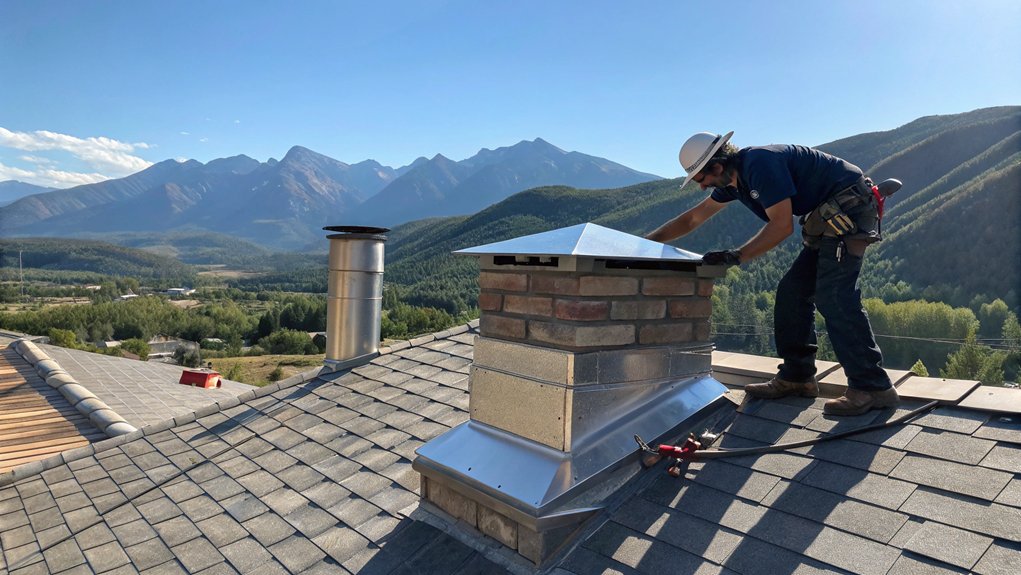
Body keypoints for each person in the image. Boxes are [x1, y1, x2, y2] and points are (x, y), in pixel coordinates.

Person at [646, 131, 897, 416]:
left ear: (717, 166)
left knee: (835, 297)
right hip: (830, 219)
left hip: (848, 214)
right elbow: (694, 217)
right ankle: (797, 377)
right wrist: (643, 243)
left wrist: (736, 256)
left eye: (701, 179)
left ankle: (873, 387)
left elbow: (781, 226)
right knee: (792, 293)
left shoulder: (759, 164)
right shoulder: (733, 181)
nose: (702, 187)